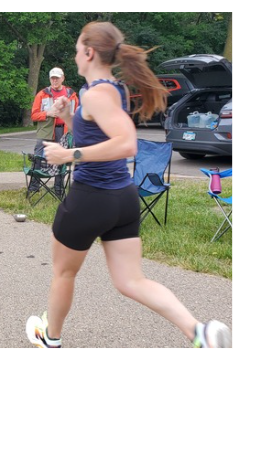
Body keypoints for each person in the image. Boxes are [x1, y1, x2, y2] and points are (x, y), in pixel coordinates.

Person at [27, 21, 231, 348]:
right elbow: (100, 134)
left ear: (90, 52)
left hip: (91, 199)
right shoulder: (112, 89)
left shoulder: (97, 94)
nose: (76, 55)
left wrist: (68, 155)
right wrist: (68, 118)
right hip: (122, 199)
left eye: (78, 49)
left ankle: (50, 337)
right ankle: (199, 332)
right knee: (131, 280)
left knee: (63, 273)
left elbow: (126, 143)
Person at [29, 67, 78, 197]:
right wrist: (47, 113)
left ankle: (59, 190)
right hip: (46, 132)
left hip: (65, 131)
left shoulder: (71, 95)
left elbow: (76, 115)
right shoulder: (42, 94)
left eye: (57, 78)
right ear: (50, 79)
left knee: (61, 159)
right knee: (38, 158)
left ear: (63, 78)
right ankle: (34, 187)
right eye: (52, 78)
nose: (55, 80)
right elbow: (33, 115)